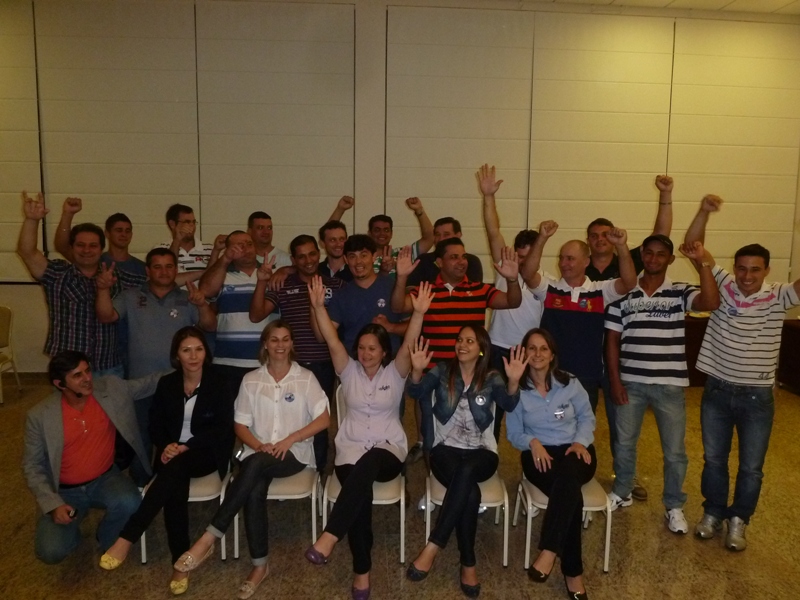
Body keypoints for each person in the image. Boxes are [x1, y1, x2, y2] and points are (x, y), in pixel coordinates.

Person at [174, 320, 330, 599]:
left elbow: (324, 419)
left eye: (285, 339)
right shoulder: (251, 380)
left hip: (294, 454)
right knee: (255, 484)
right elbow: (240, 425)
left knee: (254, 465)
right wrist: (259, 446)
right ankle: (260, 566)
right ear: (265, 344)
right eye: (274, 339)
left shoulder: (306, 377)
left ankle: (209, 537)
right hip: (257, 452)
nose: (280, 345)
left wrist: (290, 439)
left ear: (292, 344)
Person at [304, 277, 433, 600]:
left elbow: (409, 343)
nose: (365, 353)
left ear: (384, 351)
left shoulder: (396, 372)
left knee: (372, 459)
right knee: (359, 494)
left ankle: (330, 536)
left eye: (372, 348)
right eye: (361, 347)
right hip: (349, 450)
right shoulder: (347, 370)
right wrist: (318, 307)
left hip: (388, 451)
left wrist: (418, 313)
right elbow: (332, 339)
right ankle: (362, 571)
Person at [684, 196, 800, 550]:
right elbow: (693, 247)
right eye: (742, 269)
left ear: (767, 270)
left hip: (757, 396)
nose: (747, 276)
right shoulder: (722, 284)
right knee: (714, 459)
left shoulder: (780, 296)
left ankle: (739, 520)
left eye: (755, 270)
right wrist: (704, 212)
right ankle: (713, 512)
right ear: (734, 268)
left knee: (751, 467)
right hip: (717, 391)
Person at [98, 327, 236, 596]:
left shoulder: (220, 382)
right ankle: (180, 564)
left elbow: (222, 429)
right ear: (177, 355)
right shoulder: (167, 383)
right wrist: (166, 446)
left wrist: (186, 446)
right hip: (171, 455)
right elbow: (156, 424)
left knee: (175, 469)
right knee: (175, 483)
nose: (193, 356)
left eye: (199, 349)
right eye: (186, 350)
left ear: (206, 353)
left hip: (205, 452)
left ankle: (128, 536)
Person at [604, 236, 720, 529]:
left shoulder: (680, 291)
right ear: (642, 255)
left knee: (674, 452)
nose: (654, 259)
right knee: (624, 444)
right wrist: (615, 381)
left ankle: (674, 505)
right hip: (631, 383)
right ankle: (622, 491)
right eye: (649, 253)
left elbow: (711, 302)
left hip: (669, 385)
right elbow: (612, 341)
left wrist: (703, 263)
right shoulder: (623, 294)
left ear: (670, 259)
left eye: (660, 254)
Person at [405, 326, 524, 597]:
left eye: (470, 341)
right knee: (469, 492)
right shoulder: (442, 371)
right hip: (444, 450)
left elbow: (508, 404)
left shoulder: (491, 377)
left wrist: (513, 381)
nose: (462, 344)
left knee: (467, 470)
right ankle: (468, 563)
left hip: (482, 452)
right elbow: (415, 392)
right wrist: (416, 371)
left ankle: (434, 545)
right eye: (460, 340)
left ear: (481, 349)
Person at [22, 351, 160, 564]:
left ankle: (107, 538)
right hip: (65, 492)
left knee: (130, 501)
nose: (87, 378)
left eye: (87, 371)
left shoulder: (110, 389)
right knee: (50, 551)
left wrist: (191, 366)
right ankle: (72, 531)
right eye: (77, 375)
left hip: (105, 479)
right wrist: (53, 504)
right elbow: (32, 465)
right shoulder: (40, 416)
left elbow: (148, 383)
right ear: (60, 384)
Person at [587, 174, 674, 503]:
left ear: (614, 238)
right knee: (580, 418)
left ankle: (624, 475)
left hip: (620, 355)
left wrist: (665, 194)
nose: (600, 240)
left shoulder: (630, 261)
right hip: (585, 355)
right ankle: (581, 471)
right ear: (587, 241)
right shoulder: (580, 268)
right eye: (594, 235)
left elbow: (661, 234)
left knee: (621, 421)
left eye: (605, 234)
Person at [96, 247, 216, 485]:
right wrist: (102, 289)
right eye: (157, 267)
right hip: (140, 383)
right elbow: (106, 316)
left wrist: (202, 305)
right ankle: (141, 483)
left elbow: (210, 326)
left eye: (169, 266)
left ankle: (170, 480)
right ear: (148, 271)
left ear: (176, 270)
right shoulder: (130, 296)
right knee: (140, 436)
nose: (164, 271)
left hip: (178, 384)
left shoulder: (187, 297)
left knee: (174, 434)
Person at [506, 328, 596, 600]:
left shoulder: (569, 382)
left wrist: (580, 442)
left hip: (574, 449)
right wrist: (532, 442)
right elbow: (513, 433)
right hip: (538, 453)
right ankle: (573, 574)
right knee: (570, 493)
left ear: (552, 354)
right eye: (531, 348)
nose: (537, 353)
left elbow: (587, 417)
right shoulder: (517, 389)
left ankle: (549, 550)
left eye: (543, 348)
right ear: (524, 353)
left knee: (567, 478)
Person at [17, 192, 145, 377]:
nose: (86, 250)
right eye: (80, 245)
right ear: (72, 247)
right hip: (68, 368)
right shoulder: (58, 274)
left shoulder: (117, 277)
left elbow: (161, 281)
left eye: (93, 246)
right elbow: (27, 252)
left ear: (101, 249)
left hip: (108, 367)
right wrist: (31, 220)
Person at [519, 221, 637, 413]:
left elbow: (629, 282)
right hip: (550, 374)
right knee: (549, 424)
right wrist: (542, 238)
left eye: (570, 259)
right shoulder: (550, 289)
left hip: (586, 377)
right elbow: (528, 273)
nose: (563, 264)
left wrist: (621, 246)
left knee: (583, 426)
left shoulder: (600, 291)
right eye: (561, 258)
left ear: (586, 262)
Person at [250, 235, 345, 471]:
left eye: (312, 254)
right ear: (293, 259)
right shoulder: (283, 283)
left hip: (324, 364)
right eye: (301, 257)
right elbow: (256, 315)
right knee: (288, 417)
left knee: (319, 420)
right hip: (291, 365)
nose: (308, 260)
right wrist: (263, 281)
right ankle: (285, 464)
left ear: (319, 254)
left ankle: (318, 471)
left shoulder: (336, 286)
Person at [480, 163, 543, 441]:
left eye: (529, 257)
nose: (522, 262)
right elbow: (494, 232)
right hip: (497, 349)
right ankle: (488, 451)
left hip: (530, 353)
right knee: (492, 407)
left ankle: (535, 455)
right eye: (519, 256)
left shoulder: (547, 283)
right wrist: (489, 196)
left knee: (531, 409)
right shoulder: (505, 272)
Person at [199, 231, 266, 390]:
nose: (246, 249)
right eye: (239, 245)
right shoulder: (222, 274)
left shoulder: (270, 273)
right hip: (227, 362)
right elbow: (205, 291)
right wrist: (225, 259)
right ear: (229, 249)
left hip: (265, 362)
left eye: (249, 244)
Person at [326, 234, 407, 357]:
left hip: (390, 363)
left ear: (374, 256)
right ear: (346, 260)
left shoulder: (394, 287)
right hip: (353, 363)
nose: (358, 262)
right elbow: (325, 335)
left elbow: (412, 327)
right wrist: (315, 306)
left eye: (364, 255)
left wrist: (391, 327)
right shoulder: (341, 295)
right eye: (352, 256)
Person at [330, 195, 435, 274]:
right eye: (377, 230)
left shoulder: (402, 255)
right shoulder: (358, 256)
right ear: (369, 233)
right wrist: (340, 209)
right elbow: (329, 234)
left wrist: (419, 210)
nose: (382, 233)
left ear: (391, 233)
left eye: (386, 230)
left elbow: (430, 238)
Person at [405, 216, 483, 286]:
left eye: (446, 234)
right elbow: (410, 289)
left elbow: (476, 291)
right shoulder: (423, 260)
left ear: (458, 235)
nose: (441, 239)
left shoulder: (472, 261)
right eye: (437, 235)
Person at [156, 204, 215, 276]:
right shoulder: (159, 250)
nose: (192, 225)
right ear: (172, 224)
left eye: (193, 222)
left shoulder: (211, 250)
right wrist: (177, 240)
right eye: (187, 222)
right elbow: (167, 274)